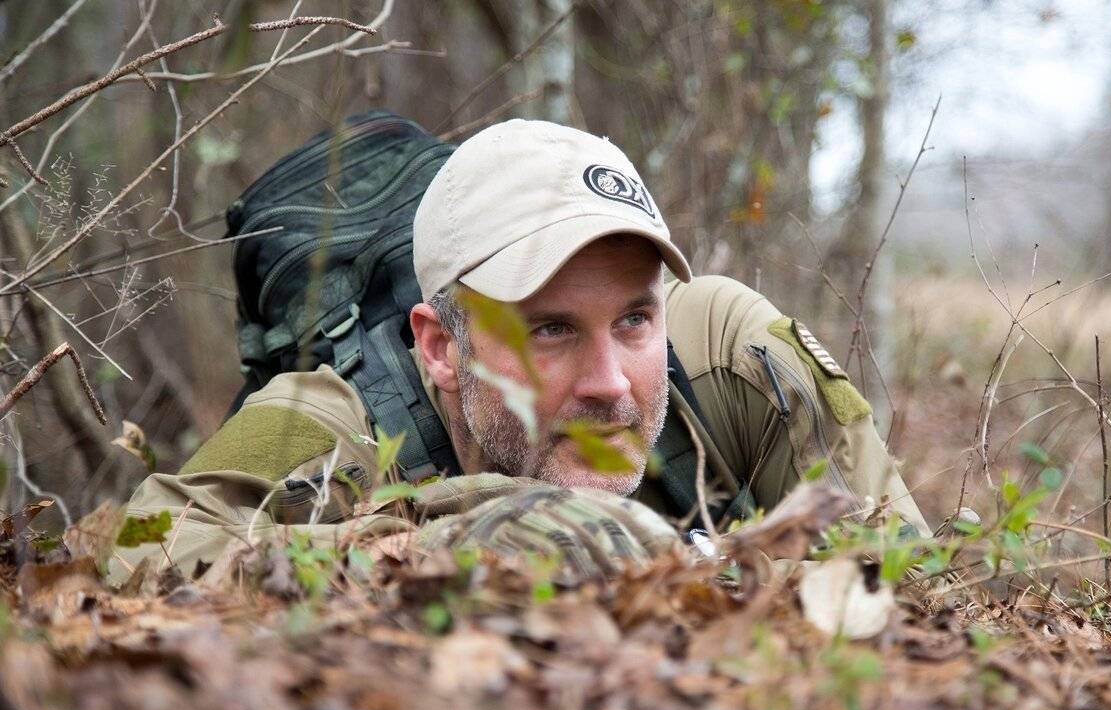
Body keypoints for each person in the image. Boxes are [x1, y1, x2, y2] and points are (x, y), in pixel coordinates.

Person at [109, 119, 927, 584]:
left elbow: (924, 579)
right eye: (551, 330)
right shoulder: (335, 415)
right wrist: (447, 547)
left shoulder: (727, 352)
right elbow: (140, 549)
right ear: (441, 347)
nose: (610, 386)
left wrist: (716, 572)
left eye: (635, 320)